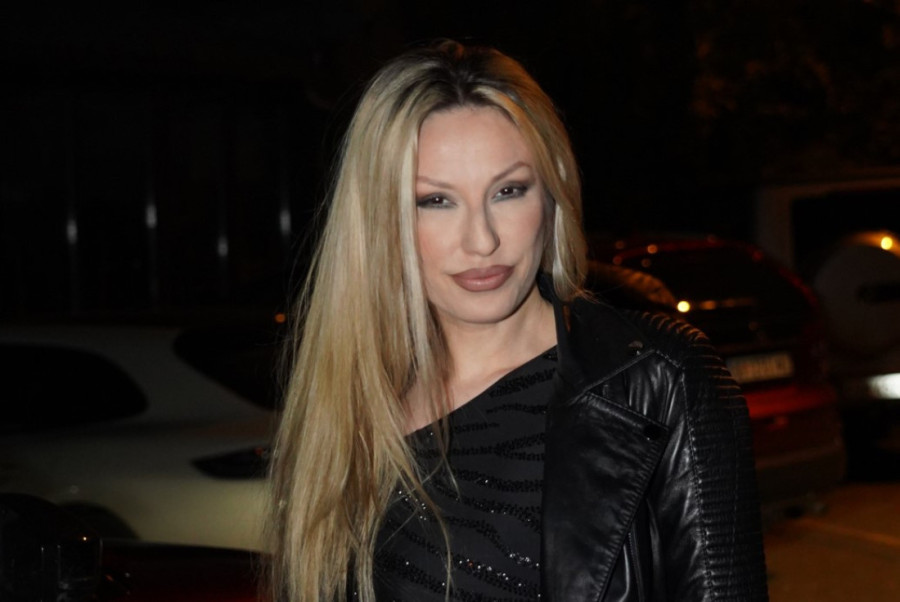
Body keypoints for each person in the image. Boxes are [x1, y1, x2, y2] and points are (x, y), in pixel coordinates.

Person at [265, 39, 769, 602]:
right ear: (379, 221)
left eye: (508, 191)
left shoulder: (661, 380)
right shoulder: (344, 405)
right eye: (435, 201)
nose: (482, 240)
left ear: (551, 193)